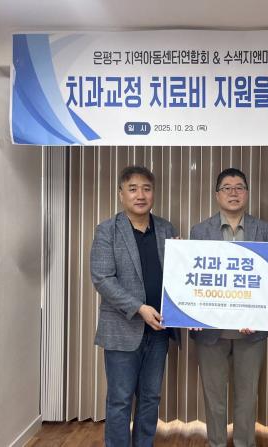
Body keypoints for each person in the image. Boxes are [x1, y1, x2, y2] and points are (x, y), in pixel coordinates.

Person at [90, 165, 179, 447]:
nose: (140, 195)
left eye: (146, 189)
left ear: (154, 193)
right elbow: (103, 279)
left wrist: (183, 258)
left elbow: (178, 277)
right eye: (133, 189)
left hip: (160, 329)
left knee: (151, 397)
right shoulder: (107, 230)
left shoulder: (166, 229)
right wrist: (139, 308)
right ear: (121, 194)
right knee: (120, 400)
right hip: (122, 329)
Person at [190, 168, 268, 447]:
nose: (233, 193)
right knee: (214, 398)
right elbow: (194, 278)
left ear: (247, 193)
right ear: (217, 195)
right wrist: (192, 313)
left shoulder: (263, 229)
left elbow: (267, 279)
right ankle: (215, 443)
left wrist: (258, 316)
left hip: (251, 331)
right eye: (227, 188)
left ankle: (244, 444)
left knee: (247, 398)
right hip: (210, 331)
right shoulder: (199, 230)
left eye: (239, 187)